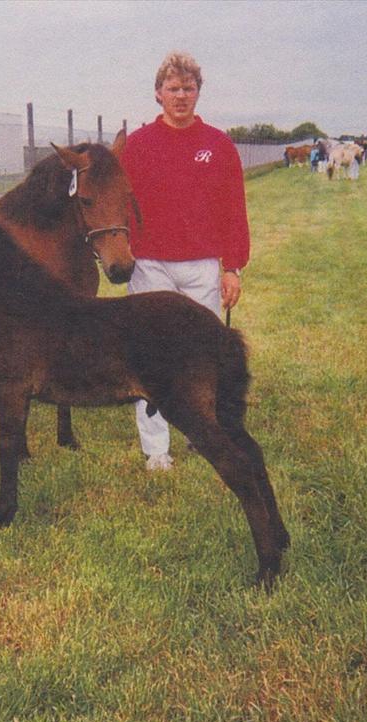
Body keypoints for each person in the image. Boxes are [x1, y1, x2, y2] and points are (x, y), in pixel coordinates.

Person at [120, 51, 249, 472]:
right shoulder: (137, 146)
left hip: (201, 266)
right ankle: (156, 449)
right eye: (172, 88)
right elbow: (117, 206)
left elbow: (234, 209)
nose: (180, 96)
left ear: (198, 93)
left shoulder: (218, 145)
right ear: (158, 94)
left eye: (188, 88)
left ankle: (202, 432)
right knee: (152, 356)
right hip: (149, 264)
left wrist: (232, 267)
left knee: (199, 354)